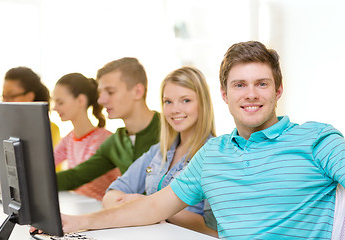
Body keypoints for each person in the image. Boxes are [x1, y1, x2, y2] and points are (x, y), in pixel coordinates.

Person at [59, 41, 345, 240]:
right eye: (239, 85)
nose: (251, 94)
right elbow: (153, 207)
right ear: (224, 94)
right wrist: (77, 222)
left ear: (278, 90)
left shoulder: (317, 138)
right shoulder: (212, 154)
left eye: (262, 83)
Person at [102, 66, 217, 237]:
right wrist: (137, 205)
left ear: (203, 103)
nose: (175, 109)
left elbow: (214, 229)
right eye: (168, 102)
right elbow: (112, 194)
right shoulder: (158, 152)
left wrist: (151, 208)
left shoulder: (215, 154)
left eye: (185, 100)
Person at [56, 57, 161, 192]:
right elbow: (76, 176)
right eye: (100, 93)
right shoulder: (115, 142)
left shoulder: (171, 130)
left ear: (138, 92)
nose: (101, 100)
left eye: (110, 92)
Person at [0, 67, 60, 191]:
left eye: (10, 96)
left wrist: (2, 174)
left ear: (29, 96)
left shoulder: (49, 129)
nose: (5, 101)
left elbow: (43, 173)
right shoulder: (7, 129)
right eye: (3, 96)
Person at [52, 73, 120, 200]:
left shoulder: (103, 139)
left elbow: (80, 175)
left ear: (80, 101)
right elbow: (49, 162)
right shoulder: (69, 139)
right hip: (79, 206)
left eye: (60, 102)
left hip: (101, 208)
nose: (55, 108)